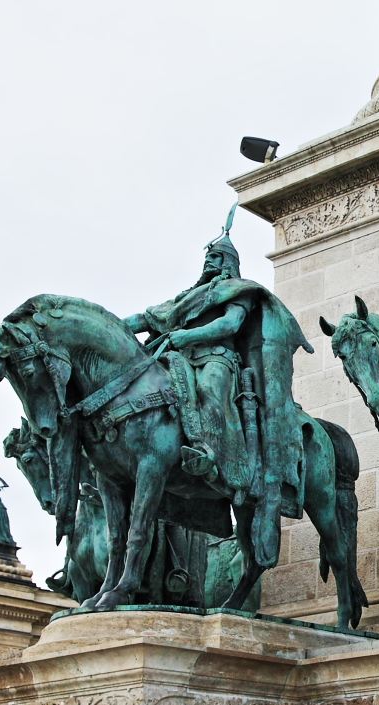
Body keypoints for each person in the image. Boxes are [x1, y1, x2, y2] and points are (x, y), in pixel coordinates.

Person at [124, 204, 312, 523]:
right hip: (178, 357)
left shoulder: (238, 290)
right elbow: (147, 317)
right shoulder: (187, 297)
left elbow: (230, 324)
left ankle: (210, 455)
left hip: (217, 359)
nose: (210, 262)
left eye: (216, 257)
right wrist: (113, 326)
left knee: (209, 394)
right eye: (208, 257)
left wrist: (187, 335)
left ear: (229, 263)